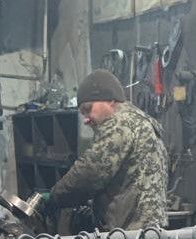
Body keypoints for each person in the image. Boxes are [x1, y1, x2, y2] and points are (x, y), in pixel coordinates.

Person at [48, 68, 168, 230]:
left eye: (88, 109)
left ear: (111, 100)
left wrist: (54, 196)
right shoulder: (142, 122)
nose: (86, 120)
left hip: (128, 234)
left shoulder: (120, 124)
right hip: (150, 231)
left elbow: (89, 173)